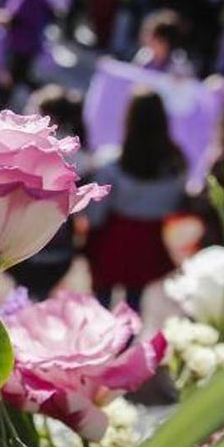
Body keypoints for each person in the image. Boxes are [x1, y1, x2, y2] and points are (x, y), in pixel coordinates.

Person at [85, 90, 188, 311]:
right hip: (148, 241)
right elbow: (174, 204)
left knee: (101, 300)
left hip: (112, 238)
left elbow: (95, 215)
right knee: (134, 302)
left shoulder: (111, 164)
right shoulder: (176, 165)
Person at [9, 85, 88, 300]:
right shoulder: (82, 157)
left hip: (24, 247)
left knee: (23, 301)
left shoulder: (27, 150)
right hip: (60, 250)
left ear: (47, 116)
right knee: (40, 299)